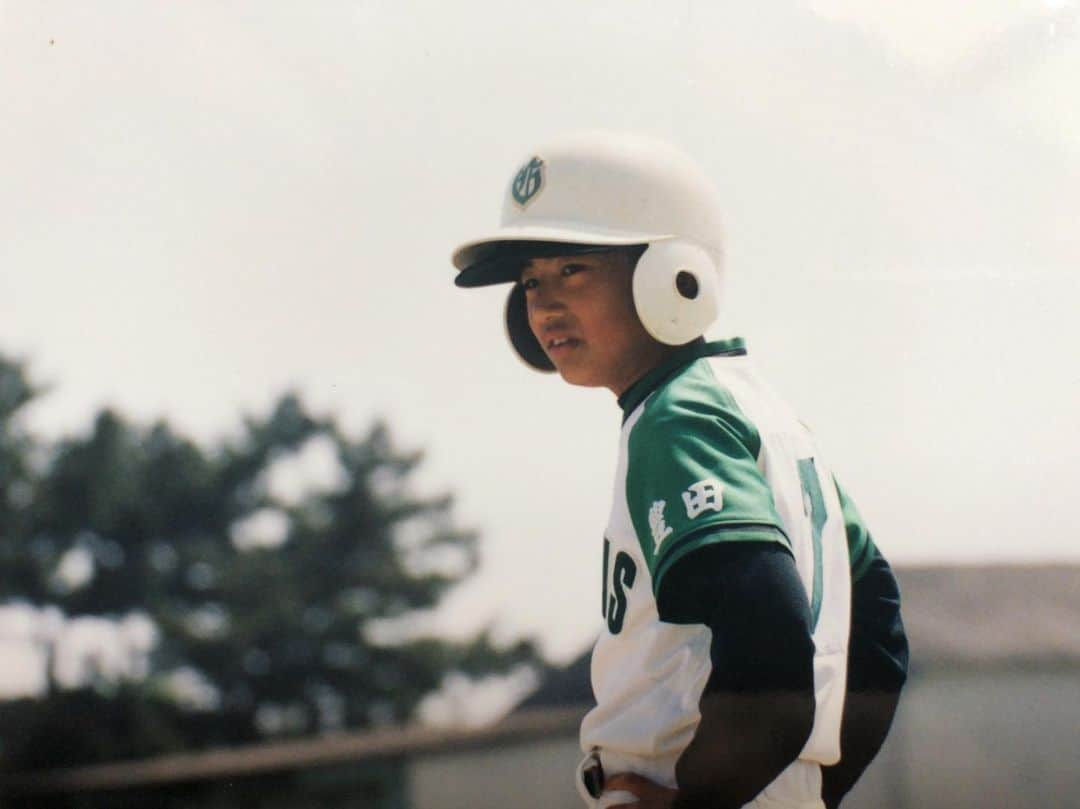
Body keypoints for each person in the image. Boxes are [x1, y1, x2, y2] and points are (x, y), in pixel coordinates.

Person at [450, 131, 908, 809]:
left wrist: (701, 802)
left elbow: (773, 649)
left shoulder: (676, 417)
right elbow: (879, 644)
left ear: (670, 270)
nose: (543, 305)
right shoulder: (761, 409)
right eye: (530, 280)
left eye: (572, 269)